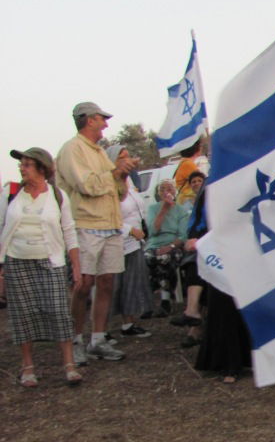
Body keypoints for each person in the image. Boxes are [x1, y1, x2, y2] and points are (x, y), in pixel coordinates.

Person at [56, 101, 138, 363]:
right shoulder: (72, 150)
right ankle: (77, 340)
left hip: (110, 225)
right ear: (89, 120)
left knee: (106, 283)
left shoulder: (101, 152)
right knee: (83, 284)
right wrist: (115, 172)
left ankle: (98, 340)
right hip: (86, 224)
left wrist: (122, 176)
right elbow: (86, 185)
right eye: (102, 118)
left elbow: (119, 193)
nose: (106, 124)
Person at [0, 148, 83, 387]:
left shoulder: (57, 195)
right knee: (23, 315)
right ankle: (28, 367)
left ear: (42, 169)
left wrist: (76, 266)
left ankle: (69, 365)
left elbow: (69, 230)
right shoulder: (11, 192)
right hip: (17, 261)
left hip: (51, 260)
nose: (21, 169)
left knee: (58, 311)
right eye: (22, 164)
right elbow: (1, 227)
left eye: (27, 165)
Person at [188, 185, 251, 382]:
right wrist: (193, 237)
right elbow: (198, 218)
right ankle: (228, 364)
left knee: (246, 302)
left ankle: (250, 358)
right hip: (217, 250)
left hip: (247, 245)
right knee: (223, 303)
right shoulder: (210, 186)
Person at [106, 145, 151, 338]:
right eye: (121, 157)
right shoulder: (108, 185)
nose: (127, 160)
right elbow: (107, 216)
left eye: (127, 156)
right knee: (112, 287)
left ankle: (128, 324)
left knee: (130, 283)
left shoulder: (129, 182)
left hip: (134, 242)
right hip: (117, 241)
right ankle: (102, 330)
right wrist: (130, 230)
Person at [145, 179, 189, 316]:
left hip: (173, 244)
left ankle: (164, 299)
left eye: (169, 189)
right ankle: (162, 297)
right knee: (148, 258)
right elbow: (153, 231)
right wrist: (163, 209)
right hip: (154, 244)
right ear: (158, 193)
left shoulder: (181, 210)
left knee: (164, 258)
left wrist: (169, 246)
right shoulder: (153, 209)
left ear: (174, 191)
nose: (166, 192)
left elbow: (182, 236)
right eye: (162, 189)